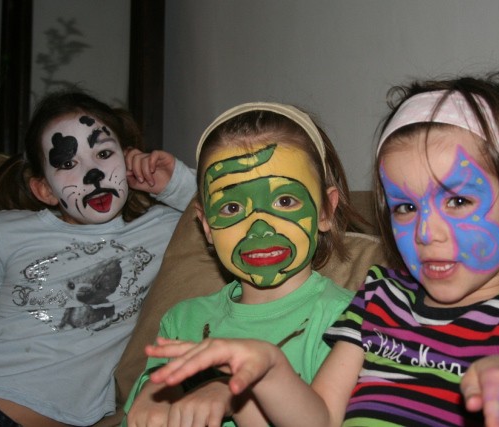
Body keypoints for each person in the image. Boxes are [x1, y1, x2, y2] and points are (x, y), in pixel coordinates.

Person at [145, 72, 499, 427]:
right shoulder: (381, 296)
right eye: (406, 207)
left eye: (457, 200)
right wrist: (268, 366)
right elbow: (319, 418)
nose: (426, 232)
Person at [0, 91, 197, 426]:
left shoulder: (160, 229)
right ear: (44, 190)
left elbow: (232, 208)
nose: (92, 173)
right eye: (67, 164)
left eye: (104, 153)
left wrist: (173, 182)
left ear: (126, 160)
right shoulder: (5, 229)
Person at [123, 102, 367, 426]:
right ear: (206, 224)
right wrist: (156, 399)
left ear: (325, 210)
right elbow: (147, 405)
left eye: (285, 201)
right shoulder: (182, 323)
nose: (259, 228)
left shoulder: (349, 321)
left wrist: (232, 393)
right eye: (231, 207)